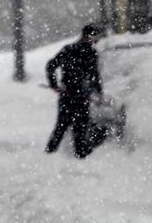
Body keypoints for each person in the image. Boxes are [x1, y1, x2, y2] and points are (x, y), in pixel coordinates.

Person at [45, 23, 106, 158]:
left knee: (62, 127)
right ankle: (79, 155)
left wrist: (54, 84)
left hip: (68, 95)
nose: (97, 40)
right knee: (79, 128)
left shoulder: (68, 49)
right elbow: (94, 76)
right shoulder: (90, 53)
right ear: (89, 37)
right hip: (80, 96)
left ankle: (50, 153)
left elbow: (51, 66)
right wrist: (99, 93)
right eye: (95, 37)